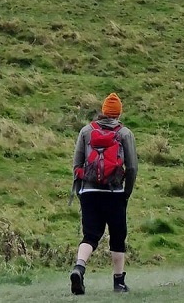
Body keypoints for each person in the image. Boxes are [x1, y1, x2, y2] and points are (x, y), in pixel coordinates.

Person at [69, 93, 138, 295]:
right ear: (118, 113)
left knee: (90, 235)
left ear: (103, 110)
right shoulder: (125, 133)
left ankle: (79, 267)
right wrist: (126, 192)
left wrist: (81, 190)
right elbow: (132, 167)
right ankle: (119, 282)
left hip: (89, 192)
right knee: (118, 236)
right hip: (114, 192)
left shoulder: (86, 131)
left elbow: (76, 164)